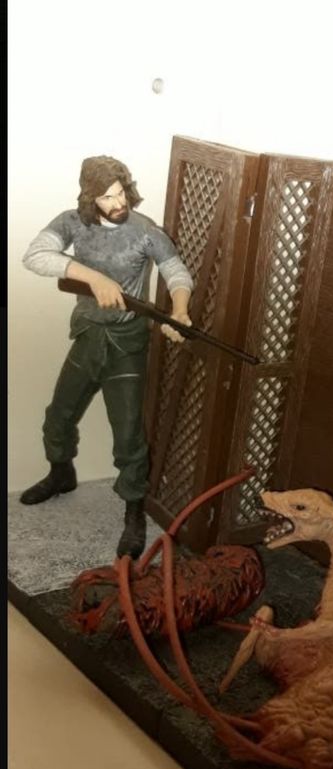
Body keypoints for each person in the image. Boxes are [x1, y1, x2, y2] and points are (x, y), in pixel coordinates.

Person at [20, 155, 194, 558]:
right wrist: (92, 276)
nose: (118, 202)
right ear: (90, 198)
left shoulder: (145, 230)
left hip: (127, 345)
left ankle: (133, 511)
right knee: (59, 415)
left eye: (120, 192)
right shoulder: (72, 222)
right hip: (87, 337)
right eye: (106, 196)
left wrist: (180, 311)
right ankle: (61, 473)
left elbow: (176, 272)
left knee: (128, 435)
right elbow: (35, 255)